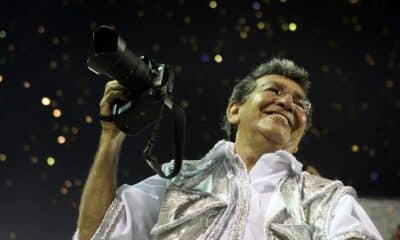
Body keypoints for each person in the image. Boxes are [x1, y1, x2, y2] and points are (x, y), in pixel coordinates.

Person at [73, 58, 383, 240]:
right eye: (274, 91)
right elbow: (96, 233)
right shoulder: (179, 181)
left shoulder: (328, 200)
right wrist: (111, 137)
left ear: (299, 136)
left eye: (299, 103)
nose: (287, 102)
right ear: (234, 110)